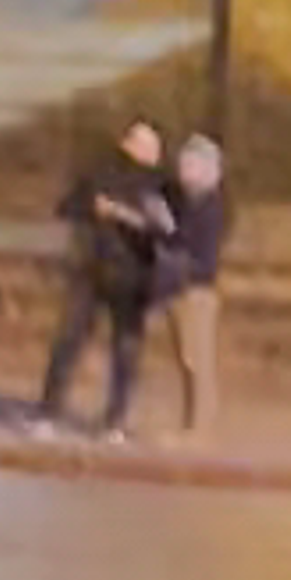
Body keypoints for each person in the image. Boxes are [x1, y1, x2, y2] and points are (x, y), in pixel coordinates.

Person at [38, 118, 174, 440]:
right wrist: (92, 207)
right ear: (126, 144)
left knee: (126, 349)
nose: (148, 151)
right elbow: (66, 206)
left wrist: (128, 217)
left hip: (132, 276)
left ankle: (115, 419)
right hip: (91, 268)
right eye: (141, 144)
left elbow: (168, 230)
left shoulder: (162, 185)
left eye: (152, 146)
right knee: (69, 340)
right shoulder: (100, 173)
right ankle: (49, 411)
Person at [153, 132, 230, 434]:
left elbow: (200, 252)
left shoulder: (209, 205)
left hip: (196, 290)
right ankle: (194, 424)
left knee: (197, 362)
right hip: (182, 286)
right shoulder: (186, 201)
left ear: (207, 169)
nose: (184, 171)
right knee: (187, 359)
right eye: (183, 164)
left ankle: (199, 429)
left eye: (191, 165)